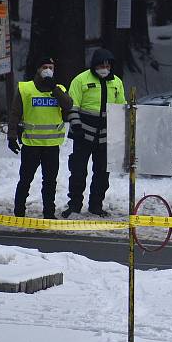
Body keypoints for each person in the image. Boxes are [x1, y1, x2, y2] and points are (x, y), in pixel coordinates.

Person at [61, 48, 126, 218]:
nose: (105, 67)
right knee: (78, 172)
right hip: (83, 133)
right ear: (94, 65)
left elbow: (121, 108)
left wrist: (120, 131)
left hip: (105, 136)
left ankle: (96, 205)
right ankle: (74, 206)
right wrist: (76, 125)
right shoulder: (81, 79)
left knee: (102, 174)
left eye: (108, 64)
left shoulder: (116, 82)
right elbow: (72, 105)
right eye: (102, 64)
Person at [8, 56, 73, 219]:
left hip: (51, 145)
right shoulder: (26, 89)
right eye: (44, 67)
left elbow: (68, 105)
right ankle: (19, 212)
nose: (48, 70)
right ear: (38, 69)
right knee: (25, 180)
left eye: (51, 67)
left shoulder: (59, 89)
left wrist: (55, 89)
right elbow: (15, 113)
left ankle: (49, 213)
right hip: (31, 144)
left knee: (50, 182)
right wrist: (11, 136)